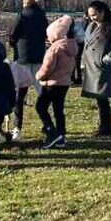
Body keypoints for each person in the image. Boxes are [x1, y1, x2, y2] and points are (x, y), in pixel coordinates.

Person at [82, 0, 111, 137]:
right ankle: (104, 126)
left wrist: (109, 57)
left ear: (102, 12)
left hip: (103, 66)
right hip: (91, 66)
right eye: (90, 15)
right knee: (98, 97)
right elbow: (87, 44)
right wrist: (83, 60)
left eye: (94, 14)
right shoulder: (90, 26)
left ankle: (106, 128)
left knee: (102, 97)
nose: (92, 17)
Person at [35, 15, 78, 148]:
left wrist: (38, 76)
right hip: (64, 82)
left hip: (51, 84)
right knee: (58, 109)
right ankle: (61, 135)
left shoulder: (54, 49)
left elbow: (47, 68)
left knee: (41, 107)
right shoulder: (72, 46)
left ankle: (52, 133)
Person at [8, 0, 48, 93]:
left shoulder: (22, 15)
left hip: (23, 51)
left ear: (25, 2)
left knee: (22, 78)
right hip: (39, 50)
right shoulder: (42, 15)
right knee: (38, 77)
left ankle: (21, 99)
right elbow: (46, 31)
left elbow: (14, 33)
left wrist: (12, 43)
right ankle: (43, 97)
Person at [5, 57, 35, 143]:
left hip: (22, 78)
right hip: (9, 77)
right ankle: (0, 128)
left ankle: (17, 129)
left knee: (18, 102)